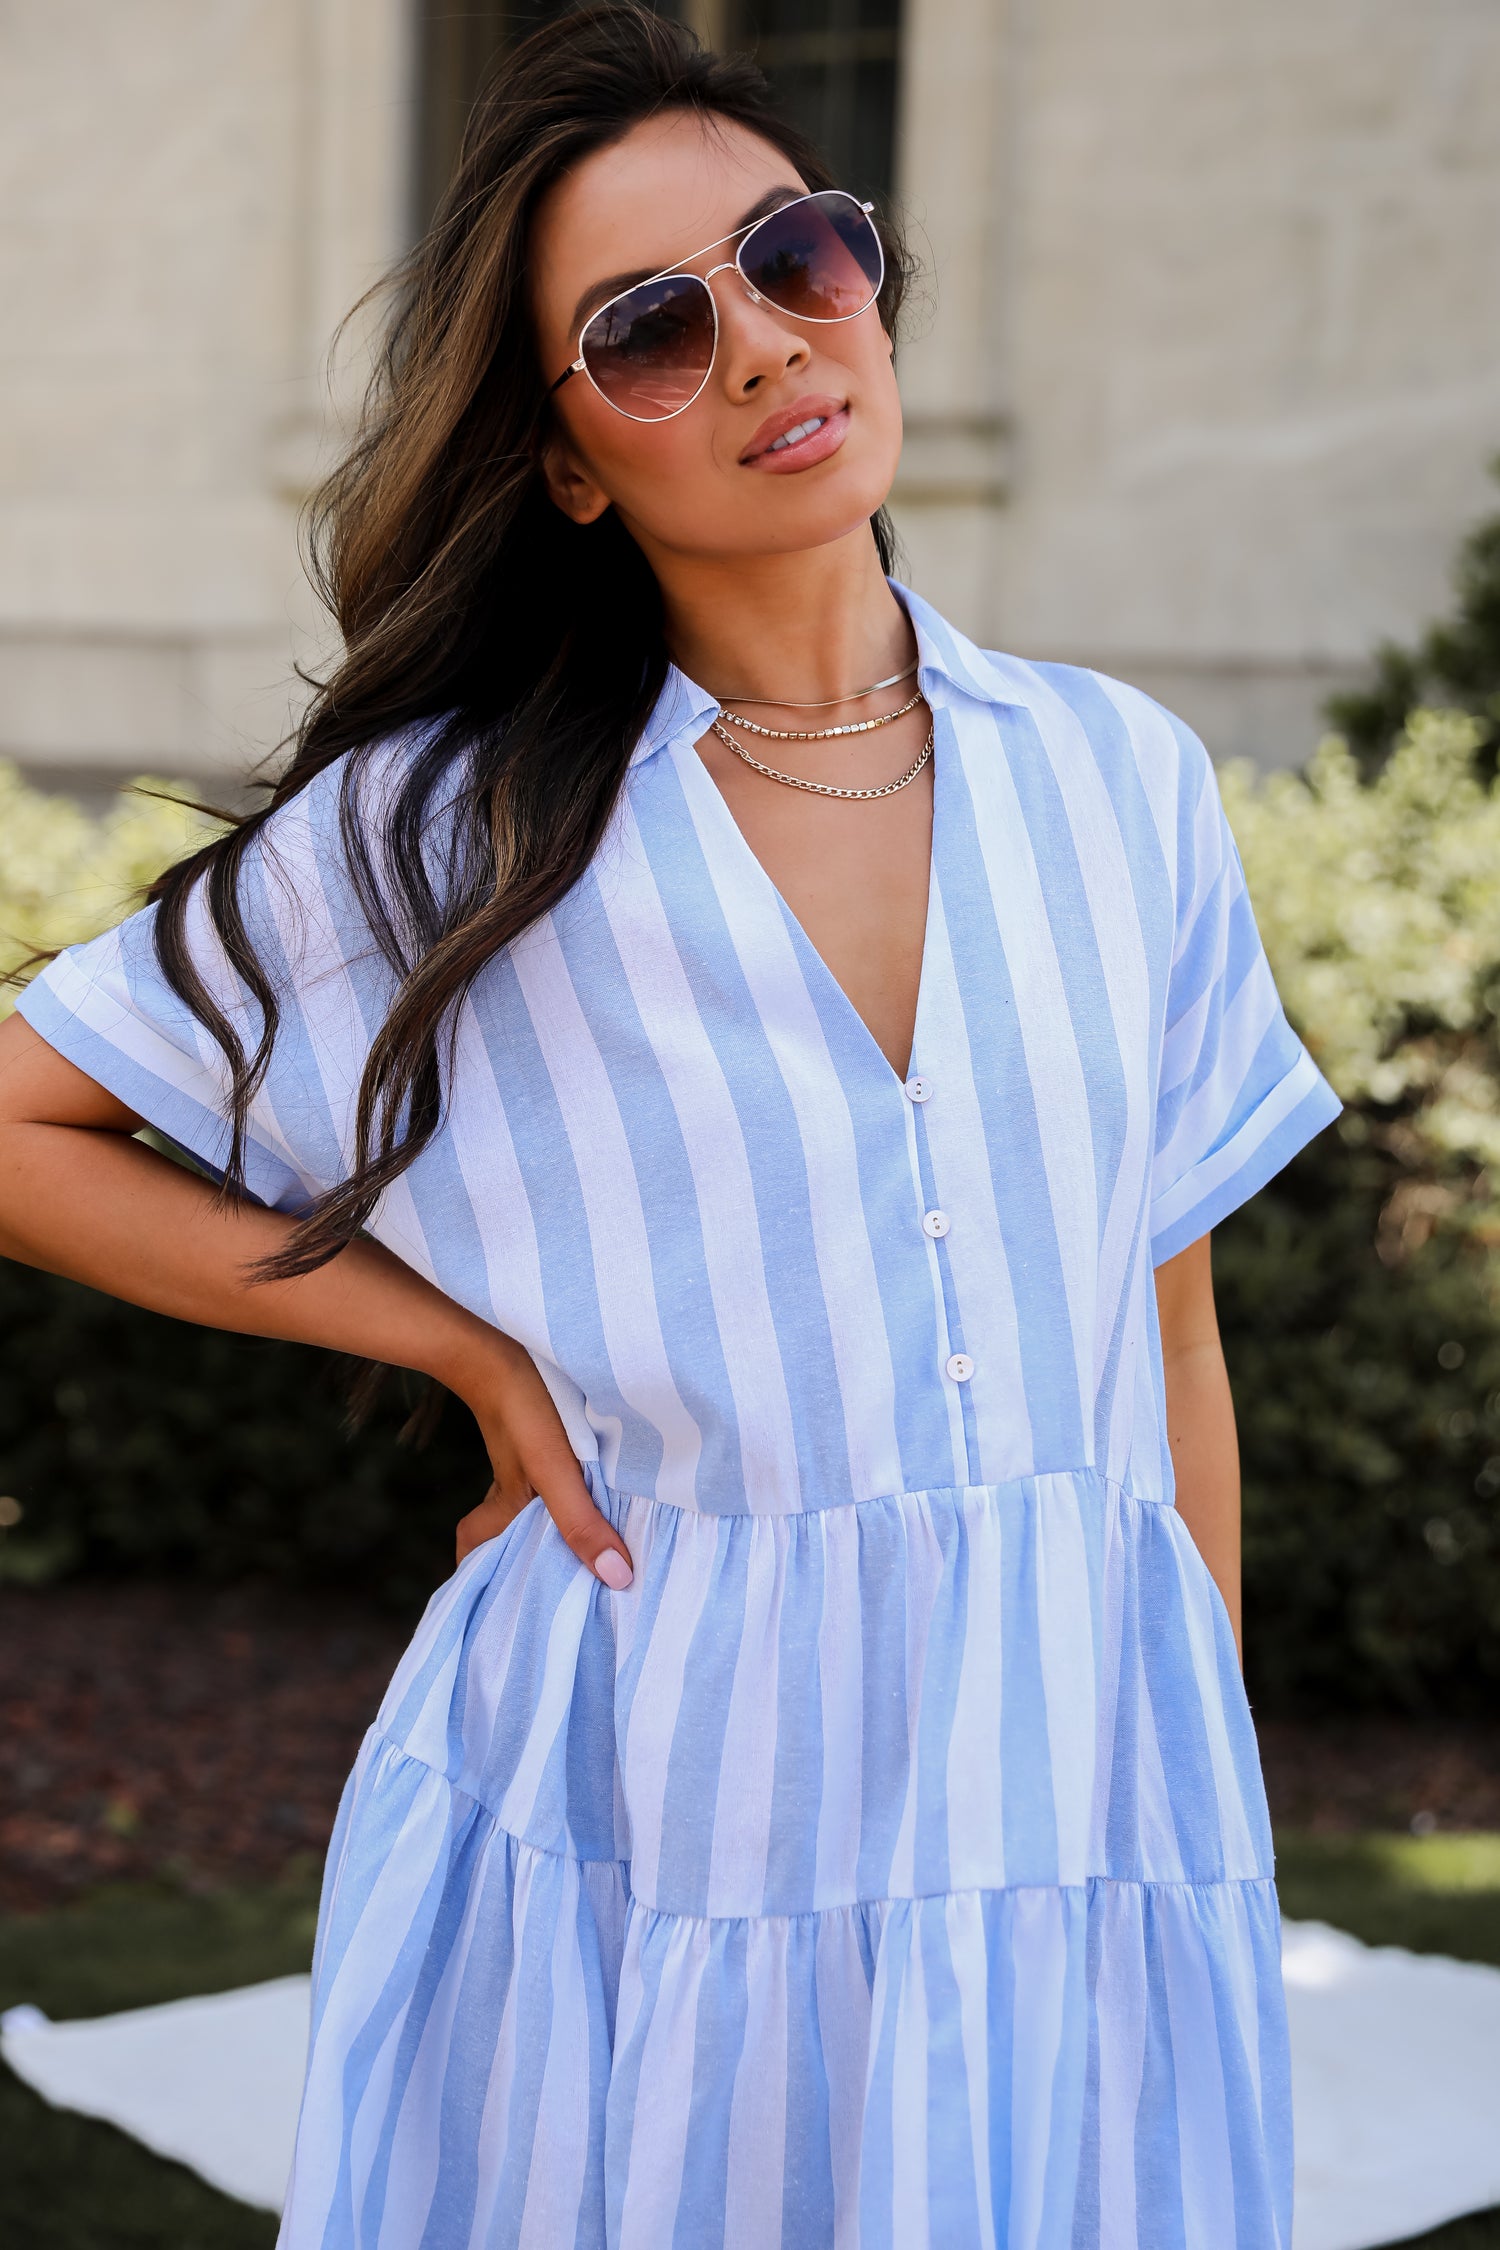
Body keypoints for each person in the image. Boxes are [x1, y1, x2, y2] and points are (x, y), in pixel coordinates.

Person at [0, 8, 1340, 2243]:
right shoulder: (456, 830)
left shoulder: (1126, 783)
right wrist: (460, 1351)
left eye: (798, 256)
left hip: (1084, 1805)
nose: (757, 345)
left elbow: (1166, 1321)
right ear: (567, 462)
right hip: (658, 1813)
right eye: (648, 328)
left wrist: (1190, 1743)